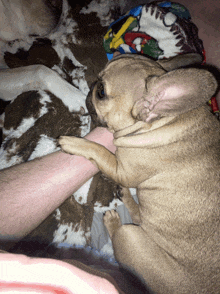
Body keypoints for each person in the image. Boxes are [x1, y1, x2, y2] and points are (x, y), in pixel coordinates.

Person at [0, 0, 219, 293]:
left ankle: (120, 231)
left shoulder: (154, 128)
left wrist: (89, 147)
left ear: (151, 107)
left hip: (174, 276)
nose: (94, 89)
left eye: (101, 92)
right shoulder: (170, 126)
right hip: (182, 243)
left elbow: (124, 175)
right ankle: (141, 216)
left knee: (127, 235)